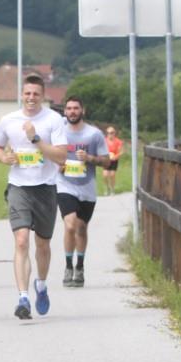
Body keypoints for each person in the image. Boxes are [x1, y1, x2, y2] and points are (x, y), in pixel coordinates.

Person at [0, 73, 69, 320]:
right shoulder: (8, 120)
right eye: (27, 93)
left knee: (43, 245)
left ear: (43, 95)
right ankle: (23, 298)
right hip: (18, 187)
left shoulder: (54, 120)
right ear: (21, 95)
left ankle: (41, 286)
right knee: (22, 241)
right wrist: (3, 157)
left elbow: (61, 156)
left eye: (36, 94)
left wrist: (35, 138)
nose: (31, 98)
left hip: (45, 187)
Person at [57, 96, 110, 288]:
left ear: (82, 111)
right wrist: (58, 164)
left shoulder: (94, 134)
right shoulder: (59, 133)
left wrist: (89, 158)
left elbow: (107, 161)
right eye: (69, 108)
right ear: (65, 111)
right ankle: (68, 266)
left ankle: (79, 266)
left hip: (87, 188)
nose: (72, 111)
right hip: (65, 185)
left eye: (76, 108)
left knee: (81, 228)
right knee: (70, 225)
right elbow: (50, 156)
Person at [102, 126, 123, 196]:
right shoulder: (104, 141)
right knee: (105, 175)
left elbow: (121, 152)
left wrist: (116, 157)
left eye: (111, 133)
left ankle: (112, 189)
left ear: (114, 133)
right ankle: (106, 188)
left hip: (114, 160)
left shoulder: (118, 141)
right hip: (106, 159)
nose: (109, 134)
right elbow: (101, 150)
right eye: (108, 133)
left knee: (112, 175)